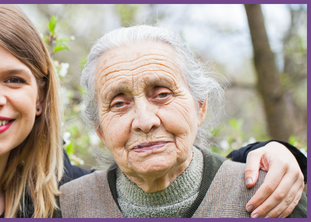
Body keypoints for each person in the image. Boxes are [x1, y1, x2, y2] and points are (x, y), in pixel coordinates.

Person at [0, 5, 306, 218]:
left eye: (14, 79)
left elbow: (181, 172)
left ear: (42, 98)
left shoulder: (64, 196)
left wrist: (276, 153)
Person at [57, 25, 307, 218]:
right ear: (100, 130)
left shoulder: (272, 195)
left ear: (200, 106)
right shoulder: (65, 207)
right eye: (119, 104)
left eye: (162, 95)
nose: (145, 122)